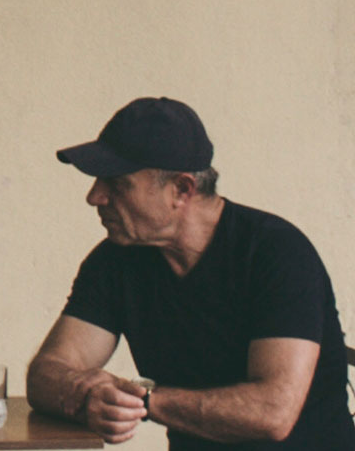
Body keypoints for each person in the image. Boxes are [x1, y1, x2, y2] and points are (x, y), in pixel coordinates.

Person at [26, 97, 354, 449]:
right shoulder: (115, 261)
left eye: (117, 185)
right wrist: (91, 396)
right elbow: (46, 372)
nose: (95, 197)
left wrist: (142, 400)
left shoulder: (277, 252)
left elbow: (273, 413)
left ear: (181, 190)